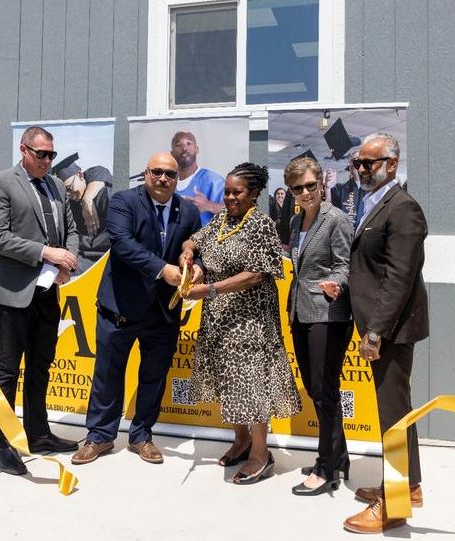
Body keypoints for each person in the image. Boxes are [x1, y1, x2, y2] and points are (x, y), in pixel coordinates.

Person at [72, 152, 202, 465]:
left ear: (177, 178)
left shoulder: (188, 211)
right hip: (120, 306)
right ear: (146, 174)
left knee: (154, 377)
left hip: (163, 312)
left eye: (170, 174)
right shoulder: (123, 202)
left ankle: (142, 435)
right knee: (108, 375)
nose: (163, 179)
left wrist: (195, 266)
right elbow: (122, 243)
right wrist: (163, 269)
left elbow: (197, 247)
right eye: (157, 172)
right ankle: (100, 436)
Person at [180, 162, 301, 485]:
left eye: (238, 193)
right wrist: (188, 254)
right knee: (227, 380)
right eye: (228, 192)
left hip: (250, 319)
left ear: (254, 194)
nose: (231, 197)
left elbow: (256, 274)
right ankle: (241, 439)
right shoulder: (221, 220)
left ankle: (261, 454)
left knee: (251, 384)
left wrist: (209, 288)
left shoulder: (261, 225)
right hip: (219, 317)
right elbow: (196, 239)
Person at [0, 126, 80, 475]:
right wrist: (45, 253)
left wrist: (67, 261)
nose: (48, 161)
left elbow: (72, 230)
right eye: (42, 154)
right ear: (24, 150)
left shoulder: (55, 186)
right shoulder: (2, 181)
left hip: (48, 291)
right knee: (8, 370)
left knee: (41, 365)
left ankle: (38, 434)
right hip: (14, 292)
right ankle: (4, 444)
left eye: (52, 155)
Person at [343, 133, 429, 534]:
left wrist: (375, 332)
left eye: (369, 163)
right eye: (357, 163)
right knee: (396, 412)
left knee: (392, 416)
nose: (361, 169)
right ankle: (406, 486)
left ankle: (393, 506)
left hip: (390, 330)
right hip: (379, 324)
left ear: (392, 164)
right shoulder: (373, 202)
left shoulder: (403, 208)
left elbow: (399, 278)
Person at [283, 157, 354, 496]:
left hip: (328, 313)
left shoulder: (335, 219)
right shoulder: (298, 222)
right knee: (317, 390)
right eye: (299, 188)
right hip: (301, 312)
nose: (306, 192)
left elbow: (344, 265)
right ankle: (339, 457)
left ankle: (326, 467)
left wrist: (336, 283)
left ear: (321, 185)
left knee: (324, 392)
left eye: (311, 186)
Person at [54, 154, 112, 274]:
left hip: (106, 255)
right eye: (66, 193)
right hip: (84, 254)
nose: (70, 195)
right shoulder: (71, 205)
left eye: (69, 188)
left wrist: (88, 199)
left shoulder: (104, 196)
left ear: (80, 175)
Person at [170, 130, 225, 225]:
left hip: (205, 239)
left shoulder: (214, 181)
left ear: (197, 149)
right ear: (171, 154)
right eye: (178, 145)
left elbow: (235, 213)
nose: (184, 148)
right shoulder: (166, 182)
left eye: (189, 143)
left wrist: (209, 206)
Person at [330, 150, 366, 230]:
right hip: (344, 236)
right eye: (356, 161)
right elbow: (331, 214)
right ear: (350, 165)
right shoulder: (339, 189)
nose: (360, 166)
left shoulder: (375, 190)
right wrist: (327, 188)